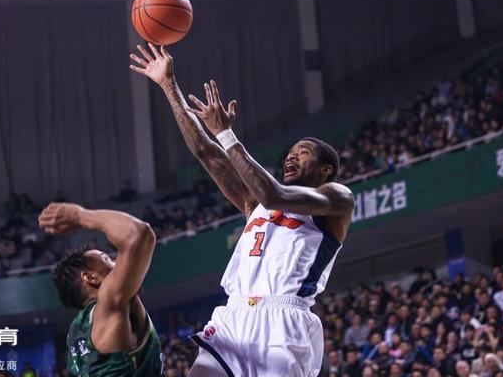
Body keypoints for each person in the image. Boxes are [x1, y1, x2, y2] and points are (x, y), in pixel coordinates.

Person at [130, 44, 354, 377]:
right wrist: (168, 85)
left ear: (325, 170)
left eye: (303, 152)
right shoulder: (255, 204)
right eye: (290, 152)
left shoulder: (336, 199)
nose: (291, 156)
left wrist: (226, 132)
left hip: (283, 321)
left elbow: (274, 194)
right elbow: (206, 152)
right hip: (234, 316)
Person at [39, 203, 162, 376]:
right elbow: (139, 234)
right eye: (107, 259)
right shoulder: (108, 302)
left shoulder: (76, 333)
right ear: (91, 278)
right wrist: (80, 216)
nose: (117, 262)